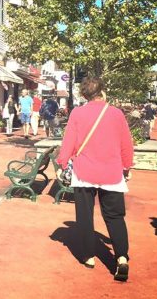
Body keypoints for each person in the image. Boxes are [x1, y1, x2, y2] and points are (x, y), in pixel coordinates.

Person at [57, 77, 134, 282]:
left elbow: (69, 141)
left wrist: (62, 162)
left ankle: (89, 255)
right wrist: (127, 165)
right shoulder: (116, 113)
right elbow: (126, 142)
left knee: (84, 216)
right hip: (111, 172)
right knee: (115, 217)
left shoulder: (78, 113)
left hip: (84, 172)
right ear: (103, 91)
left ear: (84, 95)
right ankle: (121, 257)